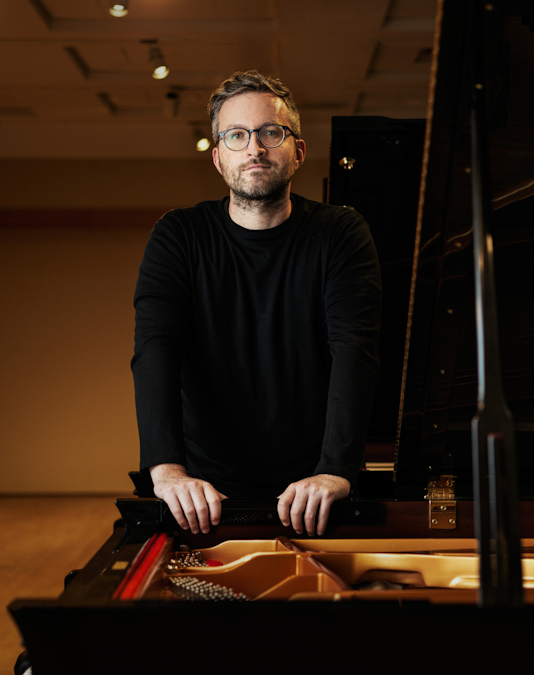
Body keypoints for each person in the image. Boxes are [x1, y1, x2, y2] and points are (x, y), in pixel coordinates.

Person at [131, 70, 381, 537]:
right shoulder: (178, 236)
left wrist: (335, 470)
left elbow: (355, 349)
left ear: (298, 150)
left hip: (314, 489)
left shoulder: (340, 233)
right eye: (237, 135)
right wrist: (166, 471)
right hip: (204, 491)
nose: (255, 148)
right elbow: (156, 350)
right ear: (218, 157)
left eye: (271, 132)